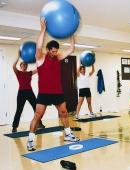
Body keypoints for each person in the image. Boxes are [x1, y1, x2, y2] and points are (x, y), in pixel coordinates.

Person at [27, 18, 79, 151]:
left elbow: (72, 48)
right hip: (44, 93)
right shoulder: (40, 58)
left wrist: (72, 33)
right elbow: (38, 46)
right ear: (48, 50)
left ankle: (68, 135)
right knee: (38, 116)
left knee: (64, 113)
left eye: (56, 51)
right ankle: (31, 140)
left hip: (57, 92)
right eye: (52, 51)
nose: (55, 53)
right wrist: (43, 30)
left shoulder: (58, 57)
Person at [12, 55, 45, 133]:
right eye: (23, 65)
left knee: (36, 108)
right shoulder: (18, 73)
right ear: (20, 66)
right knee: (19, 110)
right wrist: (18, 57)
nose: (25, 66)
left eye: (26, 65)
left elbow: (38, 69)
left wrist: (39, 60)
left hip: (29, 92)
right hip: (21, 93)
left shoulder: (29, 73)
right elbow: (13, 66)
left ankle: (39, 124)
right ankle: (14, 127)